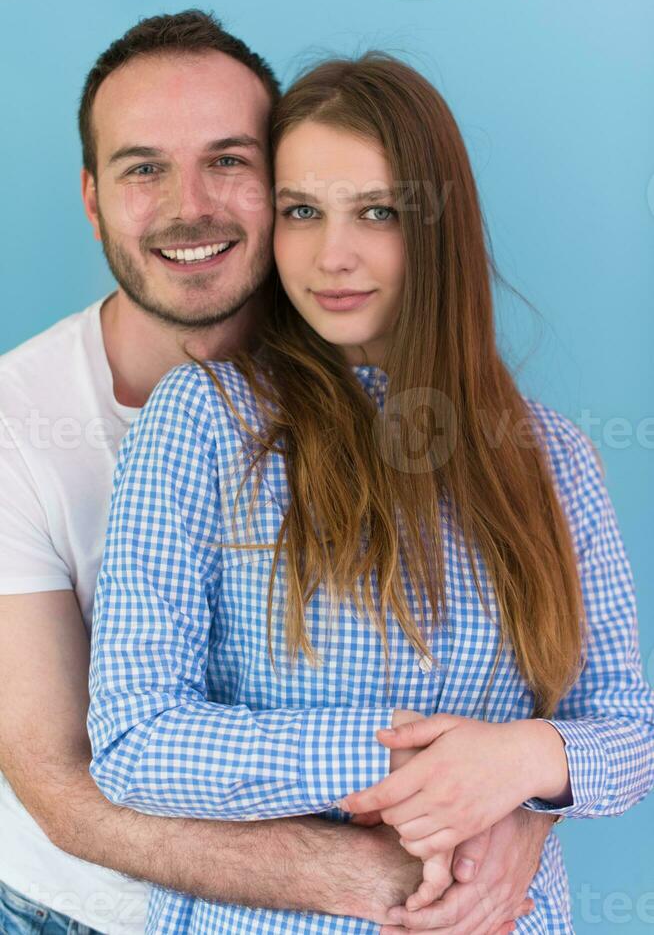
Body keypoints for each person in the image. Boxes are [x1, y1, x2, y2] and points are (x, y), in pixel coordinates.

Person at [0, 11, 549, 935]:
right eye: (143, 168)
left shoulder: (387, 396)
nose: (191, 205)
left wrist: (522, 794)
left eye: (229, 160)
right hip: (75, 909)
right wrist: (399, 855)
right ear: (93, 200)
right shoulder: (16, 419)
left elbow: (519, 689)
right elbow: (63, 780)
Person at [86, 50, 654, 935]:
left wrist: (522, 764)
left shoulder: (554, 459)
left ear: (437, 227)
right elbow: (134, 740)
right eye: (302, 212)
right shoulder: (202, 421)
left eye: (378, 212)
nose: (332, 256)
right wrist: (427, 767)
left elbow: (626, 730)